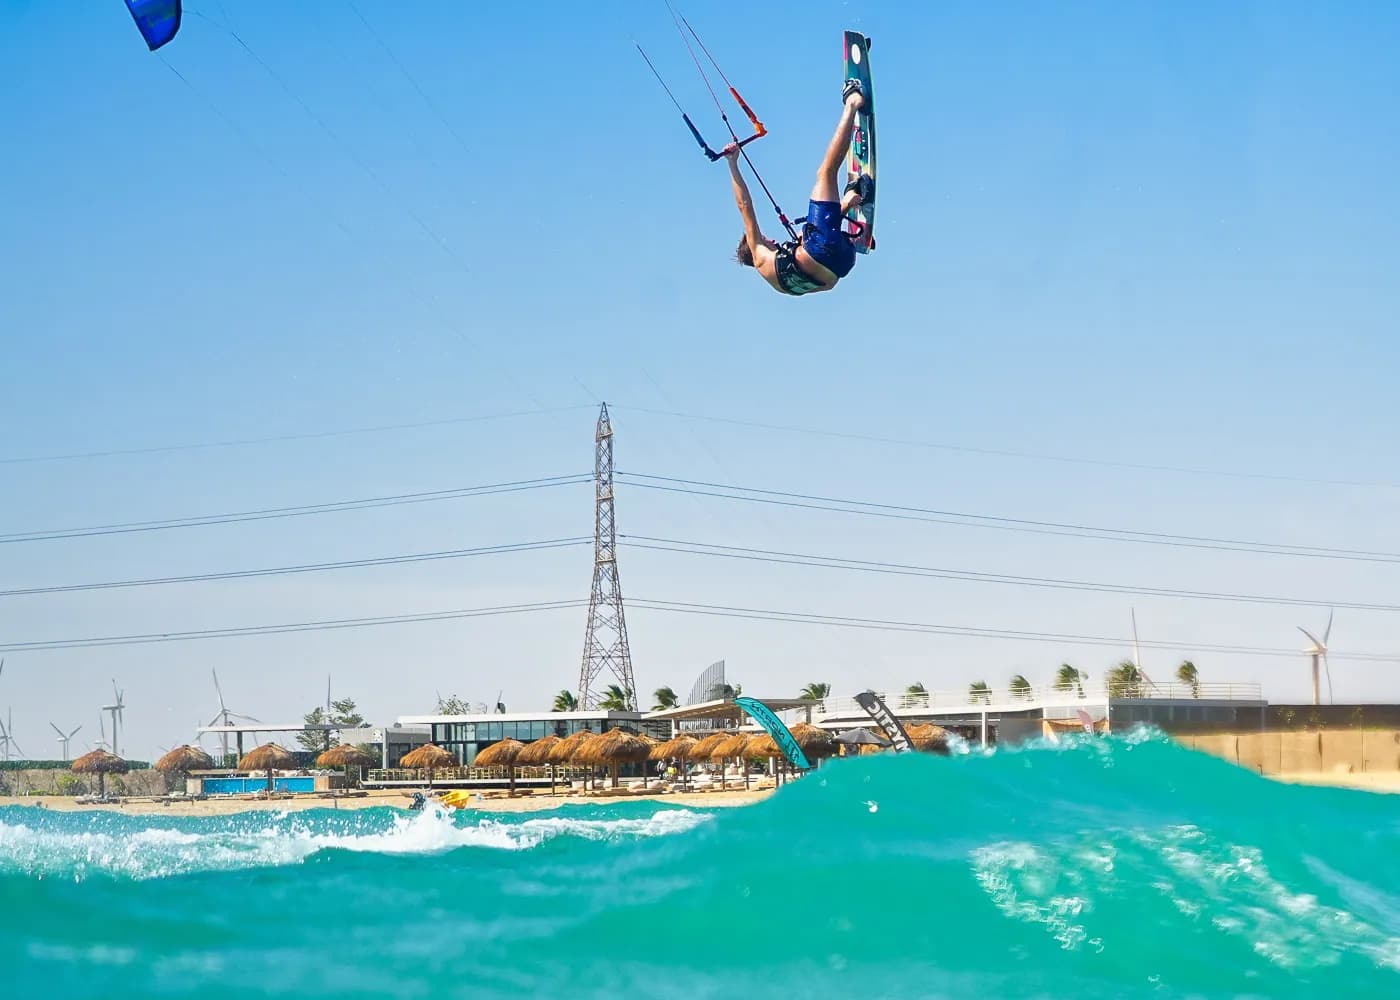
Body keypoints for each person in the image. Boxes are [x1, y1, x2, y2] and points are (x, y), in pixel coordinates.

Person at [727, 79, 873, 296]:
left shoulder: (782, 286)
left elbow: (829, 284)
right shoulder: (759, 253)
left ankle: (851, 199)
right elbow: (744, 205)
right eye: (765, 239)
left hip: (843, 263)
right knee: (825, 173)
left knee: (808, 236)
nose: (771, 240)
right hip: (822, 249)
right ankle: (852, 101)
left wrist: (842, 210)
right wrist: (733, 163)